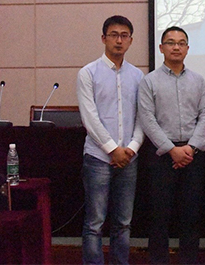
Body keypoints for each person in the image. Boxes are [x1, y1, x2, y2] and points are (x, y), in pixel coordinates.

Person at [138, 26, 205, 264]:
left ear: (187, 48)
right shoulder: (149, 81)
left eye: (181, 43)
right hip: (161, 156)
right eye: (170, 42)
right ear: (161, 48)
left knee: (191, 216)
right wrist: (171, 149)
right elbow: (147, 119)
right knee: (159, 216)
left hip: (193, 156)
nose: (176, 47)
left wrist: (190, 148)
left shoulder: (198, 81)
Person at [77, 15, 144, 265]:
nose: (119, 40)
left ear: (131, 41)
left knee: (123, 223)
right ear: (103, 38)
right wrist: (113, 149)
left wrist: (131, 148)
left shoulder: (138, 76)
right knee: (94, 223)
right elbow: (89, 117)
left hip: (129, 159)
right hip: (97, 158)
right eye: (114, 35)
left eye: (124, 36)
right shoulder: (88, 73)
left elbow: (143, 117)